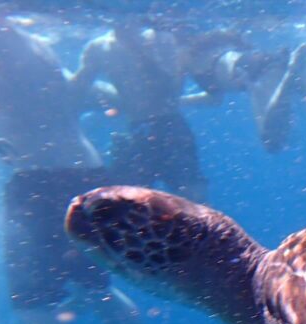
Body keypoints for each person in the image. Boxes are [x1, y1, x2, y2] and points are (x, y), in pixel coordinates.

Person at [0, 11, 169, 324]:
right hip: (85, 173)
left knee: (32, 304)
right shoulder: (34, 44)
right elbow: (73, 95)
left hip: (36, 181)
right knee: (95, 286)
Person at [70, 16, 207, 198]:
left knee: (194, 200)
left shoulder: (162, 39)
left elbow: (170, 91)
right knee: (122, 204)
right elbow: (76, 91)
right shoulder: (98, 48)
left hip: (170, 128)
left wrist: (137, 50)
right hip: (138, 130)